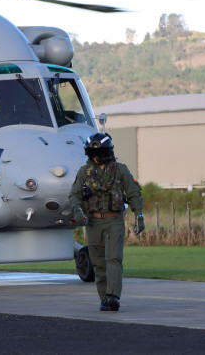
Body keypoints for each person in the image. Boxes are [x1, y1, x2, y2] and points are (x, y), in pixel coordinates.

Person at [69, 132, 144, 312]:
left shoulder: (121, 170)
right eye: (93, 153)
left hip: (114, 221)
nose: (96, 157)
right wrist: (78, 211)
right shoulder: (84, 172)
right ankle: (103, 298)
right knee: (98, 262)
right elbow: (74, 195)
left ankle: (113, 297)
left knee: (113, 258)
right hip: (93, 223)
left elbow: (134, 192)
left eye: (100, 152)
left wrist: (139, 215)